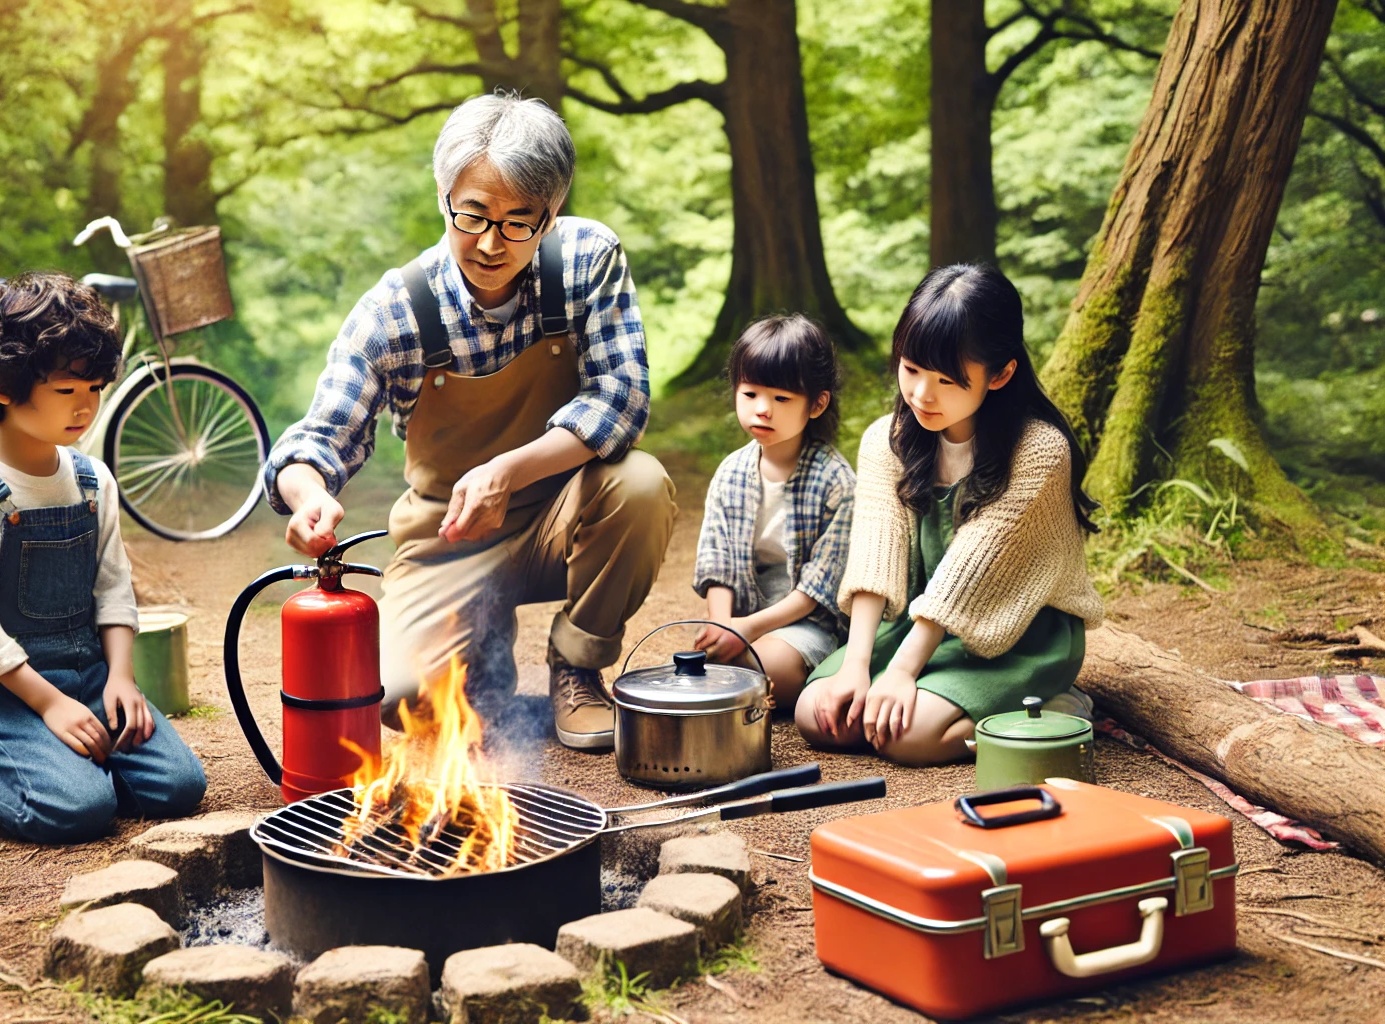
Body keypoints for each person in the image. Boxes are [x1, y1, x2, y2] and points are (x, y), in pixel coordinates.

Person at [267, 93, 675, 751]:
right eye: (473, 214)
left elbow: (620, 401)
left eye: (519, 221)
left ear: (552, 212)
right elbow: (318, 438)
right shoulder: (393, 312)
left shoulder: (585, 261)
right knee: (400, 699)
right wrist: (309, 495)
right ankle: (480, 656)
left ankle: (577, 664)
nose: (490, 243)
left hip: (563, 515)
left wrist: (509, 472)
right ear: (443, 195)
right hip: (446, 539)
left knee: (642, 484)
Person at [0, 273, 206, 843]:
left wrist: (122, 679)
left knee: (178, 788)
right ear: (4, 385)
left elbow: (113, 587)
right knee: (77, 811)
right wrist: (49, 705)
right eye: (66, 391)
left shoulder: (90, 479)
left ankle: (72, 763)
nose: (86, 407)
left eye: (96, 389)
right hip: (2, 686)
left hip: (88, 672)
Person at [798, 264, 1103, 765]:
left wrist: (901, 674)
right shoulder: (886, 438)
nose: (921, 394)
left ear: (1001, 374)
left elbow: (971, 569)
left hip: (1016, 633)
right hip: (920, 621)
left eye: (947, 380)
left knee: (907, 737)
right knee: (821, 715)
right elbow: (878, 556)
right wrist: (856, 665)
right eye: (911, 369)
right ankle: (942, 698)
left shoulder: (1039, 451)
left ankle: (1056, 708)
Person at [691, 315, 854, 710]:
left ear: (816, 404)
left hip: (808, 624)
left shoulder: (837, 482)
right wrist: (722, 625)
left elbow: (818, 589)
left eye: (781, 399)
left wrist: (746, 631)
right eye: (750, 395)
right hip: (744, 616)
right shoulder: (731, 472)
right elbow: (719, 562)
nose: (762, 410)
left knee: (758, 667)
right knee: (708, 664)